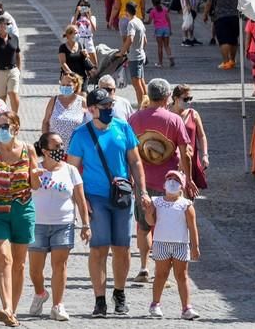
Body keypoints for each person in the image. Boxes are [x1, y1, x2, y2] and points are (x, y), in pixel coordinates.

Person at [67, 88, 150, 318]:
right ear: (91, 109)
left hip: (122, 197)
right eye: (104, 107)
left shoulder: (123, 127)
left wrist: (142, 191)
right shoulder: (81, 135)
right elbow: (72, 171)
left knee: (122, 249)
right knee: (98, 249)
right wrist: (80, 201)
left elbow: (135, 161)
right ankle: (100, 300)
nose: (109, 109)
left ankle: (120, 293)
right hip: (95, 198)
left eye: (110, 105)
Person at [0, 112, 42, 327]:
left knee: (19, 265)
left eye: (5, 125)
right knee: (4, 258)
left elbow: (35, 186)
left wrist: (36, 175)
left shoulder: (28, 150)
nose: (0, 129)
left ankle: (12, 310)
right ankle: (6, 307)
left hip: (22, 210)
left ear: (16, 127)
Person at [128, 78, 194, 283]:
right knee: (166, 226)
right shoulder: (174, 120)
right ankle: (161, 271)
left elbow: (128, 151)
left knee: (143, 225)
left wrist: (130, 177)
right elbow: (186, 154)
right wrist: (189, 179)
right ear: (167, 97)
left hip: (142, 181)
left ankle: (143, 266)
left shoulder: (134, 118)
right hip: (170, 182)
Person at [29, 132, 91, 321]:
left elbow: (80, 200)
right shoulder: (35, 169)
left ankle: (58, 305)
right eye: (56, 146)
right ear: (45, 150)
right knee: (35, 270)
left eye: (62, 145)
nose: (60, 149)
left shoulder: (70, 170)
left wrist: (86, 225)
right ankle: (40, 293)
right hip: (37, 224)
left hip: (63, 224)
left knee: (60, 266)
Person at [145, 170, 201, 320]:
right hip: (161, 243)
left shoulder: (186, 205)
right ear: (164, 184)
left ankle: (186, 308)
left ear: (181, 186)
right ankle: (155, 304)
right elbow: (150, 222)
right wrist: (149, 211)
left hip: (181, 245)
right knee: (161, 274)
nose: (172, 182)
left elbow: (192, 227)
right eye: (169, 178)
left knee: (181, 276)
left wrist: (195, 247)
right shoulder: (156, 202)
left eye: (175, 179)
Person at [169, 85, 209, 190]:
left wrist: (205, 155)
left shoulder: (193, 114)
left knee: (190, 194)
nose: (189, 102)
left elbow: (201, 136)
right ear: (175, 98)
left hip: (190, 160)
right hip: (172, 160)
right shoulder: (167, 113)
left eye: (190, 98)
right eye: (186, 99)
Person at [203, 0, 243, 69]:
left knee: (224, 40)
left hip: (220, 17)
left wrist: (205, 15)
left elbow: (209, 3)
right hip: (235, 17)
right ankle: (232, 61)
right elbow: (244, 1)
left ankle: (226, 62)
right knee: (233, 39)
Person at [41, 73, 87, 149]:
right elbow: (45, 122)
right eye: (63, 85)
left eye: (68, 85)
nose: (65, 87)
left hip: (75, 149)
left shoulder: (82, 102)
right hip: (54, 148)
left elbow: (89, 122)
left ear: (75, 86)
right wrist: (45, 142)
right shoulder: (54, 100)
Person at [0, 17, 22, 113]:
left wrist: (19, 70)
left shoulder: (14, 38)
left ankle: (15, 117)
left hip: (12, 70)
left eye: (9, 24)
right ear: (0, 26)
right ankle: (3, 119)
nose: (9, 26)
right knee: (1, 99)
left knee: (13, 94)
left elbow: (18, 54)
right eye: (7, 24)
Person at [118, 2, 147, 106]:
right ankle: (146, 103)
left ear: (126, 12)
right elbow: (145, 40)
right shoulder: (139, 21)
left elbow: (130, 38)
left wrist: (122, 52)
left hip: (134, 56)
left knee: (136, 83)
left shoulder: (131, 23)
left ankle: (141, 106)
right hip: (141, 54)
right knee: (142, 81)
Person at [58, 25, 93, 93]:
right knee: (71, 96)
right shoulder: (62, 47)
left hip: (82, 76)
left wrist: (86, 55)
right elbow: (63, 63)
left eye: (77, 33)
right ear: (68, 35)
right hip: (70, 77)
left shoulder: (80, 44)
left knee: (83, 94)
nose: (77, 35)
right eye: (75, 33)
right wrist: (71, 74)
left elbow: (85, 59)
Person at [148, 0, 174, 68]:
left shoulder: (152, 11)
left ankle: (160, 63)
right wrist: (170, 29)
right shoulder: (165, 9)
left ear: (153, 3)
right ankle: (170, 57)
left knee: (160, 47)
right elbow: (168, 20)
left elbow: (149, 21)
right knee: (167, 46)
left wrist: (143, 22)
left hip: (159, 29)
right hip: (166, 29)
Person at [71, 0, 98, 66]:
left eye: (85, 6)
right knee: (81, 63)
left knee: (94, 63)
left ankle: (95, 75)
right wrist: (77, 14)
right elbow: (71, 28)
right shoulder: (74, 18)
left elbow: (94, 29)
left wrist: (89, 17)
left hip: (88, 40)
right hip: (79, 40)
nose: (83, 7)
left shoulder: (92, 17)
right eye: (81, 5)